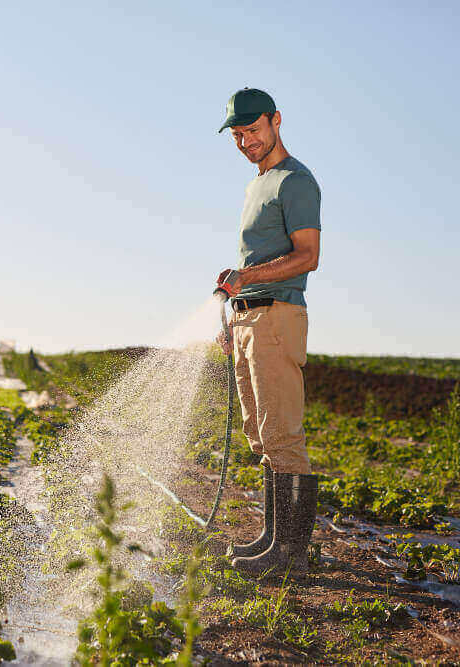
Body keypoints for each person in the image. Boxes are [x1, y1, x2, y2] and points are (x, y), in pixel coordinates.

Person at [215, 88, 321, 576]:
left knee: (283, 434)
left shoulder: (295, 181)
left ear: (276, 121)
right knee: (260, 432)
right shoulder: (255, 184)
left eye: (253, 130)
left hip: (278, 317)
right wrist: (233, 306)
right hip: (250, 318)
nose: (246, 142)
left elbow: (307, 256)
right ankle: (272, 540)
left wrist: (249, 279)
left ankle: (292, 555)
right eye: (237, 135)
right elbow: (254, 261)